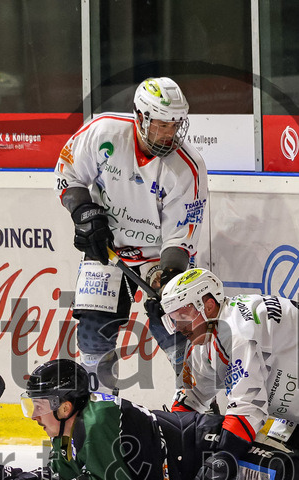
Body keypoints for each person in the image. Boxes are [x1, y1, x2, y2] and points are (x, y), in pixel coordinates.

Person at [0, 359, 299, 480]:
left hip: (206, 451)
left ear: (66, 405)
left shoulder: (97, 419)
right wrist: (12, 479)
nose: (34, 415)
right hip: (191, 472)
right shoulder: (67, 431)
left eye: (40, 404)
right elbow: (64, 475)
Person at [54, 77, 208, 391]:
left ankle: (197, 407)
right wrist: (84, 213)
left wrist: (168, 276)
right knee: (93, 333)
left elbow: (180, 236)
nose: (168, 134)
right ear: (139, 116)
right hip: (107, 247)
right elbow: (67, 172)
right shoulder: (103, 133)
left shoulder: (188, 169)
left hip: (159, 256)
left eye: (175, 125)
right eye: (161, 125)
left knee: (179, 331)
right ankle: (100, 409)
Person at [159, 268, 299, 480]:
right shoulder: (201, 343)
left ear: (209, 305)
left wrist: (223, 459)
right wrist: (170, 437)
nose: (178, 327)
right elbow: (187, 404)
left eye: (183, 314)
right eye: (173, 318)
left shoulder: (238, 328)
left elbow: (249, 406)